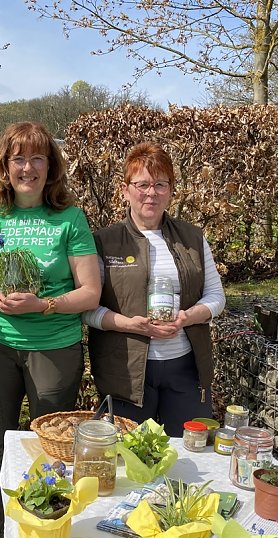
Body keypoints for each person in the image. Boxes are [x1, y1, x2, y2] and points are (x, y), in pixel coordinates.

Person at [0, 122, 101, 538]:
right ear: (4, 166)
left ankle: (43, 537)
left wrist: (42, 305)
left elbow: (91, 293)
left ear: (50, 167)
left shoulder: (70, 219)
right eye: (18, 158)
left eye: (38, 158)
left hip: (54, 351)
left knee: (50, 450)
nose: (28, 167)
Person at [83, 142, 225, 437]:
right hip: (126, 373)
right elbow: (88, 308)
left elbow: (216, 297)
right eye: (142, 184)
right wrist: (128, 324)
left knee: (190, 453)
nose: (151, 193)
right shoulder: (104, 242)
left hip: (185, 370)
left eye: (161, 184)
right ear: (125, 190)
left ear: (171, 190)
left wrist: (187, 317)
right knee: (126, 457)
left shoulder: (192, 238)